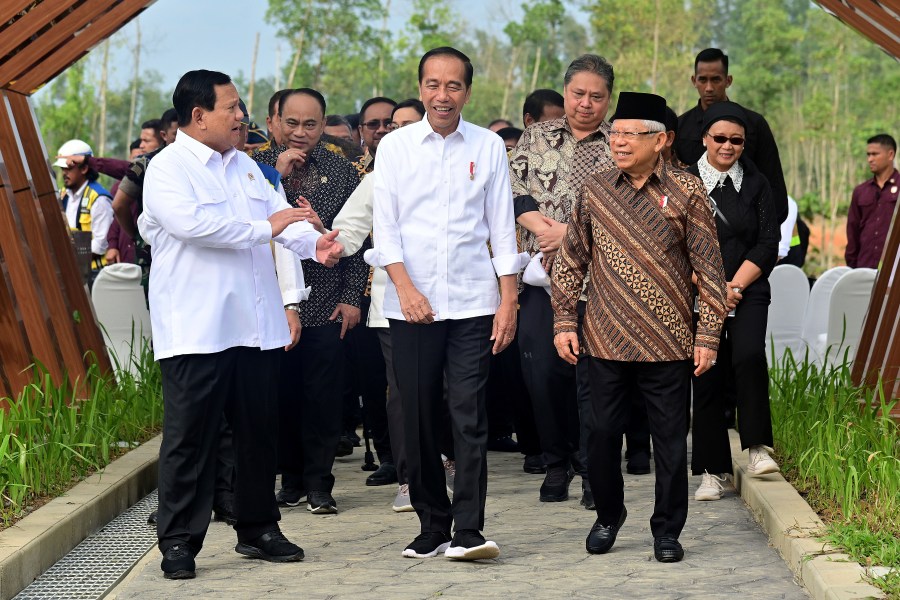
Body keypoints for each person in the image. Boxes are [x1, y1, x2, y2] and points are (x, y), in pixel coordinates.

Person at [139, 69, 344, 579]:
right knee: (191, 438)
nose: (241, 116)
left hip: (256, 327)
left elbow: (283, 222)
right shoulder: (168, 169)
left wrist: (315, 244)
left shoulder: (249, 170)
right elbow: (194, 226)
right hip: (198, 327)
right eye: (231, 107)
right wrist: (266, 227)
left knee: (258, 435)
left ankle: (258, 528)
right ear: (198, 115)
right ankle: (180, 542)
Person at [551, 91, 727, 562]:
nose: (620, 141)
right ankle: (609, 514)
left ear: (662, 140)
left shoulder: (689, 191)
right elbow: (570, 260)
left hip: (669, 341)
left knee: (670, 443)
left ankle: (667, 531)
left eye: (632, 133)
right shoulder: (595, 189)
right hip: (604, 337)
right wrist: (565, 319)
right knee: (601, 434)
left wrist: (708, 336)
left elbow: (710, 270)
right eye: (617, 133)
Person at [366, 46, 521, 561]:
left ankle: (469, 529)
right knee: (416, 415)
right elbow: (384, 228)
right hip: (411, 303)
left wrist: (508, 301)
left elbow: (502, 229)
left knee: (469, 414)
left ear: (468, 92)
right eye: (433, 84)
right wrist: (406, 290)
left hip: (475, 302)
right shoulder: (396, 148)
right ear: (421, 88)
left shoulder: (489, 147)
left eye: (453, 86)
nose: (443, 95)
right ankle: (432, 523)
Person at [255, 88, 367, 515]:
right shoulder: (249, 169)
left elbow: (358, 236)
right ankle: (290, 479)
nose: (300, 133)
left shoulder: (342, 172)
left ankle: (320, 483)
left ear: (323, 126)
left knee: (322, 397)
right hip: (268, 306)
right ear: (272, 123)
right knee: (277, 396)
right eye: (291, 123)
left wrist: (352, 296)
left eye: (310, 124)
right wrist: (273, 174)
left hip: (325, 302)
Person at [509, 54, 615, 507]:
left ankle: (595, 471)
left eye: (596, 96)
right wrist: (547, 232)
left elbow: (630, 206)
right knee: (544, 376)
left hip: (602, 281)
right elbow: (515, 191)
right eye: (578, 94)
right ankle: (557, 464)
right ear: (566, 92)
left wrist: (570, 236)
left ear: (608, 99)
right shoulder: (535, 137)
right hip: (541, 276)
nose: (586, 104)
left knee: (595, 382)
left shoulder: (621, 142)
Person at [332, 98, 427, 512]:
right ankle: (410, 478)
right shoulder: (379, 176)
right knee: (404, 391)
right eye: (393, 125)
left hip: (457, 302)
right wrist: (324, 240)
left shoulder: (460, 165)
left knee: (448, 390)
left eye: (408, 123)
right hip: (394, 301)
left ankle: (448, 462)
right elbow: (348, 229)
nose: (396, 131)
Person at [685, 102, 780, 502]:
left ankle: (757, 447)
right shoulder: (683, 181)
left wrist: (734, 287)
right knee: (706, 372)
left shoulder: (756, 183)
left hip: (748, 288)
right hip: (696, 289)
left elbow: (767, 242)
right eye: (720, 138)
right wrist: (711, 288)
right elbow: (674, 244)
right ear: (705, 138)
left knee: (748, 356)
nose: (727, 146)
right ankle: (713, 470)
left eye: (736, 141)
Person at [674, 48, 788, 223]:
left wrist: (763, 237)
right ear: (693, 81)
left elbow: (775, 187)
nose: (709, 88)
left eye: (716, 80)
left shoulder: (754, 124)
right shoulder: (680, 127)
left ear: (728, 80)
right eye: (703, 80)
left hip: (748, 233)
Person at [53, 139, 114, 277]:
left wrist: (69, 254)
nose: (64, 173)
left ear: (84, 168)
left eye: (68, 168)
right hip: (71, 271)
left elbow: (100, 244)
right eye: (62, 169)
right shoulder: (62, 195)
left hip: (94, 274)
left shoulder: (99, 199)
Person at [846, 134, 898, 269]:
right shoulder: (860, 191)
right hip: (864, 266)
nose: (870, 159)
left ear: (890, 154)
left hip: (894, 270)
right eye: (868, 155)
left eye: (875, 154)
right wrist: (852, 266)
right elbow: (852, 231)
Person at [356, 96, 397, 174]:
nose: (381, 130)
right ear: (361, 131)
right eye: (373, 124)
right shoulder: (349, 172)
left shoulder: (417, 163)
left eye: (389, 123)